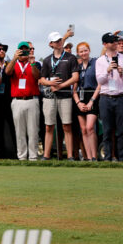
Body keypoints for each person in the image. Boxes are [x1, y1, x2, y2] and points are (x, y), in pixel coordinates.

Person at [39, 31, 78, 160]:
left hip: (65, 95)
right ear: (51, 44)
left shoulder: (71, 58)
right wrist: (50, 83)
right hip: (49, 97)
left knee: (67, 125)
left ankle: (70, 155)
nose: (59, 42)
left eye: (60, 40)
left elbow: (75, 77)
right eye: (56, 41)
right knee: (49, 126)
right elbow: (41, 79)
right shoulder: (46, 60)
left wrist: (61, 86)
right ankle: (46, 155)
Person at [96, 32, 123, 161]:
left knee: (122, 130)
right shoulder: (100, 61)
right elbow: (100, 80)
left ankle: (122, 158)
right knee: (107, 130)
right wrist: (108, 70)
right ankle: (108, 157)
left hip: (121, 97)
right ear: (105, 44)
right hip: (106, 97)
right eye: (112, 41)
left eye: (116, 41)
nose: (116, 43)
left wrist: (122, 73)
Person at [5, 41, 41, 161]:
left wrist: (32, 64)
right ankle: (21, 156)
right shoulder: (13, 63)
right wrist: (15, 58)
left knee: (33, 130)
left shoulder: (34, 63)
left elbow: (37, 77)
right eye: (22, 50)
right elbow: (7, 72)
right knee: (19, 131)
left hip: (32, 99)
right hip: (17, 100)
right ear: (18, 51)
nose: (24, 52)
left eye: (26, 50)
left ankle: (33, 156)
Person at [72, 41, 100, 161]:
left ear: (89, 50)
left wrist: (92, 101)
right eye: (81, 51)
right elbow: (74, 90)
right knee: (83, 129)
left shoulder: (95, 63)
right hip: (80, 98)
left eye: (85, 50)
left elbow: (99, 85)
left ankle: (94, 156)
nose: (83, 53)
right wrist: (78, 103)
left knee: (90, 127)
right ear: (78, 53)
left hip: (92, 97)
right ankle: (88, 157)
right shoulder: (77, 68)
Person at [0, 41, 15, 159]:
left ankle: (17, 154)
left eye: (3, 49)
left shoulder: (10, 64)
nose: (2, 51)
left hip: (9, 99)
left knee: (13, 127)